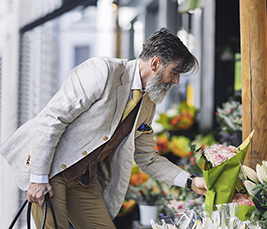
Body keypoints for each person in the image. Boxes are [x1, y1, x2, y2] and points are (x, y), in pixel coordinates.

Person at [1, 28, 207, 228]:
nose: (177, 81)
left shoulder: (148, 104)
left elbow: (147, 157)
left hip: (83, 179)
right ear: (155, 63)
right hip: (51, 170)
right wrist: (38, 178)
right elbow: (52, 118)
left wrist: (190, 182)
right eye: (175, 72)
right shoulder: (103, 71)